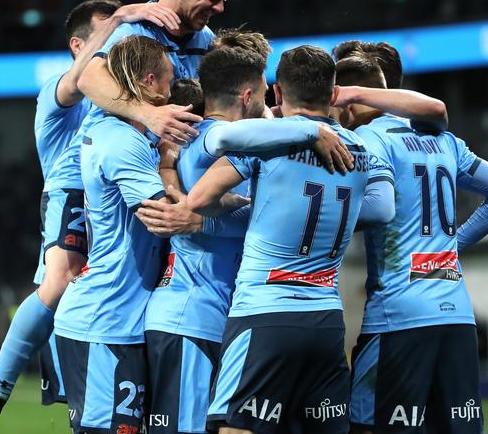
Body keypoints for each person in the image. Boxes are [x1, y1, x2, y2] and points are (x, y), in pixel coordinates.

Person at [0, 0, 184, 434]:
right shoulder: (62, 94)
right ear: (79, 45)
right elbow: (83, 78)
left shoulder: (120, 104)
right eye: (106, 38)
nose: (113, 48)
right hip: (73, 195)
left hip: (113, 191)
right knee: (62, 281)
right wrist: (121, 17)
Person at [136, 46, 354, 434]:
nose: (271, 105)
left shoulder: (207, 138)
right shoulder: (222, 136)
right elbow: (214, 192)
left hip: (214, 314)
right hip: (196, 317)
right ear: (249, 96)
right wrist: (311, 127)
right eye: (263, 95)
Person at [337, 51, 488, 434]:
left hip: (398, 316)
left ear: (350, 103)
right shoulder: (443, 140)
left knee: (369, 425)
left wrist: (328, 222)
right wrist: (452, 246)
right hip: (457, 313)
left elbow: (380, 209)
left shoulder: (367, 140)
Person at [53, 35, 175, 434]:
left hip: (117, 316)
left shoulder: (116, 129)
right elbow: (162, 217)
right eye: (169, 83)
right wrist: (235, 203)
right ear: (150, 82)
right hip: (103, 319)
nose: (172, 92)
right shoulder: (121, 142)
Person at [78, 0, 236, 144]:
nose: (220, 8)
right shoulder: (135, 32)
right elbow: (89, 80)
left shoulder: (206, 39)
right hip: (97, 161)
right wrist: (149, 114)